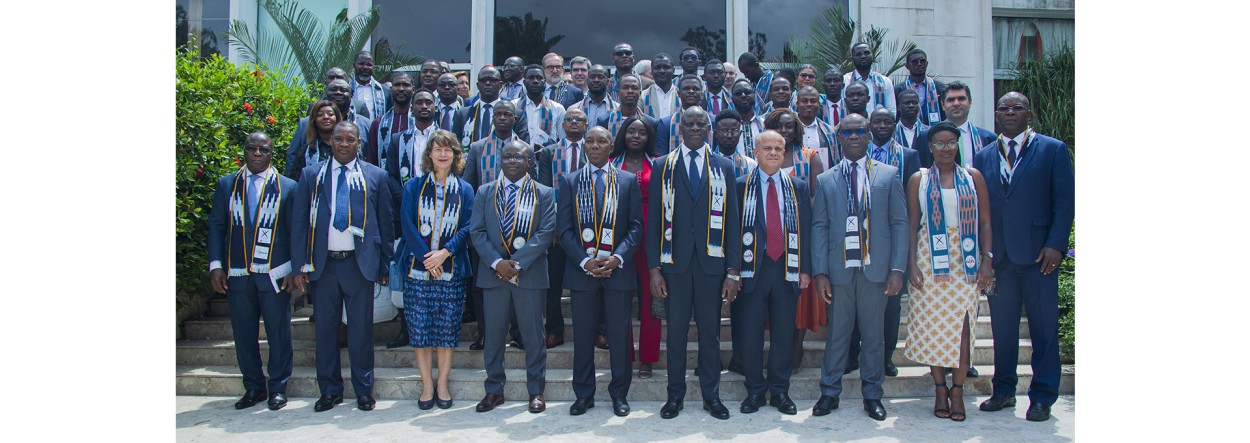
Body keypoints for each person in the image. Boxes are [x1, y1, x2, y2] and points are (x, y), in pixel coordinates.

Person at [973, 92, 1074, 422]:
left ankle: (1043, 396)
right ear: (997, 115)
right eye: (1004, 108)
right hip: (1000, 258)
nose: (1011, 112)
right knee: (1003, 329)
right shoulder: (985, 155)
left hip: (1038, 256)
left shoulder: (1052, 150)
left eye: (1017, 107)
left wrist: (1056, 245)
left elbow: (1064, 202)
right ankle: (1003, 390)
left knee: (1044, 329)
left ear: (1028, 113)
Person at [290, 121, 395, 412]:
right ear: (330, 142)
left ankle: (364, 391)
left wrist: (384, 265)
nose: (345, 144)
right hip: (324, 266)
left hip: (359, 265)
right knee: (325, 332)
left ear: (359, 143)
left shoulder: (375, 175)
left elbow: (385, 223)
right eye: (339, 139)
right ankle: (330, 391)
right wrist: (300, 266)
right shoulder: (312, 175)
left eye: (351, 139)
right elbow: (299, 223)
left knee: (361, 332)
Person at [810, 113, 907, 421]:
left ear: (868, 136)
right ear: (839, 138)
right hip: (839, 270)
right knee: (838, 333)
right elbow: (820, 226)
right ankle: (829, 392)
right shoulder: (826, 179)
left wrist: (897, 268)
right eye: (847, 131)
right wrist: (820, 272)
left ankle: (873, 395)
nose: (853, 136)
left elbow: (900, 223)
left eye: (859, 131)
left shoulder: (889, 175)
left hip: (875, 269)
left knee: (874, 336)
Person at [648, 106, 741, 420]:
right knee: (675, 335)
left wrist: (733, 270)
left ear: (709, 128)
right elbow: (654, 224)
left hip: (711, 266)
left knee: (710, 335)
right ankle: (675, 397)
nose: (696, 127)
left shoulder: (724, 166)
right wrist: (653, 269)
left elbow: (733, 221)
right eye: (690, 122)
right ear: (681, 128)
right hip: (673, 265)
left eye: (702, 122)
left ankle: (711, 396)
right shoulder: (663, 165)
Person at [903, 121, 993, 422]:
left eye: (951, 142)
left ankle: (958, 391)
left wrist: (987, 259)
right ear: (930, 147)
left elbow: (985, 223)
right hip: (930, 259)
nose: (945, 148)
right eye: (939, 143)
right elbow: (913, 225)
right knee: (933, 327)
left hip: (965, 261)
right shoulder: (919, 179)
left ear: (958, 144)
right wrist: (911, 263)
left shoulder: (973, 177)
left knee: (962, 328)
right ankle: (939, 388)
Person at [558, 126, 645, 417]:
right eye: (590, 141)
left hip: (617, 272)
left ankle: (619, 394)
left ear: (611, 146)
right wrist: (585, 261)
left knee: (620, 337)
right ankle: (584, 395)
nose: (595, 146)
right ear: (584, 146)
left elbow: (636, 226)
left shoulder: (627, 180)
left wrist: (618, 258)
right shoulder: (570, 181)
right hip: (582, 272)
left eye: (601, 141)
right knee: (583, 336)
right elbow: (564, 229)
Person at [207, 132, 297, 411]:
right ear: (244, 151)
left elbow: (295, 231)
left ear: (272, 154)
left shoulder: (288, 187)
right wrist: (216, 265)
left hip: (274, 272)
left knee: (278, 331)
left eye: (264, 149)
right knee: (244, 333)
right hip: (237, 271)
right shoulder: (227, 185)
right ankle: (254, 387)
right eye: (252, 148)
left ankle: (278, 387)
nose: (257, 153)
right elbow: (217, 227)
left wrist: (294, 269)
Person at [470, 140, 557, 414]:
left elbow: (546, 233)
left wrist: (516, 264)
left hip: (529, 276)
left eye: (518, 157)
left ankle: (536, 391)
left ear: (529, 161)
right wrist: (497, 262)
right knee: (494, 337)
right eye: (506, 157)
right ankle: (494, 390)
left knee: (533, 337)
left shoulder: (544, 193)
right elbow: (477, 232)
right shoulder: (485, 192)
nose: (511, 161)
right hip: (494, 275)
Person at [732, 130, 811, 416]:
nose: (774, 153)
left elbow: (806, 229)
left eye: (779, 148)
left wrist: (805, 269)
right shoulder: (740, 186)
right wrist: (734, 270)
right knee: (751, 334)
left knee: (782, 334)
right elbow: (732, 231)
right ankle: (754, 391)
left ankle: (779, 391)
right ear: (756, 151)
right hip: (753, 269)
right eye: (768, 148)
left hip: (787, 269)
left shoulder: (797, 186)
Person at [399, 130, 475, 410]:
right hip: (417, 271)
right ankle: (426, 385)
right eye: (437, 149)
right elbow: (406, 224)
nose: (443, 154)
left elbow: (468, 226)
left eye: (448, 150)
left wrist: (444, 253)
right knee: (419, 331)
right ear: (429, 154)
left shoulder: (465, 189)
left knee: (446, 330)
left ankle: (442, 383)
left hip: (451, 270)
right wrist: (426, 258)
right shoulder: (413, 186)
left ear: (456, 155)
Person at [845, 107, 922, 377]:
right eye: (876, 121)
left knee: (890, 306)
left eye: (887, 122)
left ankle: (886, 357)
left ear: (894, 124)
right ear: (869, 127)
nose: (882, 126)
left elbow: (911, 204)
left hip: (887, 237)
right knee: (854, 301)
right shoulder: (851, 151)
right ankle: (852, 354)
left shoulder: (909, 156)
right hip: (854, 237)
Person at [463, 100, 531, 349]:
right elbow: (468, 186)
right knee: (483, 285)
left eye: (508, 114)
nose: (502, 117)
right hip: (486, 225)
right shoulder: (477, 148)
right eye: (498, 113)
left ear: (515, 118)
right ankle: (485, 334)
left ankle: (518, 333)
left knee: (517, 278)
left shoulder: (526, 148)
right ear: (492, 117)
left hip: (519, 224)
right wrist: (473, 226)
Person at [534, 108, 593, 348]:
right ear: (563, 124)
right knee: (554, 283)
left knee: (590, 281)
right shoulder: (549, 153)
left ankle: (594, 329)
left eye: (579, 119)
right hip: (558, 228)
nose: (574, 122)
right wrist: (556, 225)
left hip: (590, 227)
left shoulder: (594, 150)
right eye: (569, 119)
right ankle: (554, 330)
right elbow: (546, 192)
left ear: (586, 123)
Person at [609, 115, 661, 379]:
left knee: (652, 299)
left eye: (642, 133)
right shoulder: (610, 164)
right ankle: (624, 354)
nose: (636, 137)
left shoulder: (659, 163)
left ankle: (648, 357)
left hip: (652, 236)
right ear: (623, 135)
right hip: (619, 237)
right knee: (620, 300)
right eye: (631, 132)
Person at [917, 81, 995, 168]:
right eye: (951, 100)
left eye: (961, 99)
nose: (956, 103)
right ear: (942, 105)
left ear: (970, 102)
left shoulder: (988, 139)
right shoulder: (926, 136)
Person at [453, 66, 530, 147]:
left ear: (500, 85)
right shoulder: (463, 114)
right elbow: (456, 145)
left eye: (492, 80)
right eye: (483, 80)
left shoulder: (516, 113)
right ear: (478, 85)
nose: (487, 83)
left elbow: (523, 146)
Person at [593, 73, 659, 144]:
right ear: (618, 92)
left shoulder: (651, 122)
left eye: (634, 88)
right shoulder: (605, 120)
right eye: (625, 87)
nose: (630, 91)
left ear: (640, 93)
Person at [285, 100, 341, 180]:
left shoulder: (347, 148)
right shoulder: (306, 151)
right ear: (314, 120)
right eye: (320, 115)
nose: (325, 117)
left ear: (337, 118)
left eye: (330, 114)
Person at [516, 64, 567, 147]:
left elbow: (563, 139)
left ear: (544, 82)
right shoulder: (513, 106)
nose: (535, 81)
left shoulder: (558, 108)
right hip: (518, 155)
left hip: (547, 157)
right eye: (531, 78)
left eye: (539, 78)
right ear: (524, 82)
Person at [654, 75, 707, 155]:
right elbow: (661, 157)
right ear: (678, 94)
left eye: (695, 89)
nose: (691, 91)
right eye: (686, 89)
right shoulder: (666, 124)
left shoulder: (712, 121)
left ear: (702, 94)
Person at [894, 49, 946, 126]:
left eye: (922, 61)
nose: (919, 64)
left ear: (927, 64)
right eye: (915, 62)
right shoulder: (899, 90)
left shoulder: (940, 88)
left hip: (935, 132)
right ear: (907, 66)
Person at [843, 43, 896, 114]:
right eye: (858, 54)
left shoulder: (885, 81)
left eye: (867, 53)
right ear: (852, 59)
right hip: (852, 124)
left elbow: (891, 112)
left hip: (879, 124)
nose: (863, 56)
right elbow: (842, 108)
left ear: (872, 56)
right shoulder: (845, 80)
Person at [794, 86, 839, 167]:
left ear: (819, 104)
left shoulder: (828, 131)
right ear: (797, 103)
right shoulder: (789, 129)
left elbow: (834, 161)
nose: (809, 104)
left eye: (813, 101)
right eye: (804, 101)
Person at [711, 109, 758, 176]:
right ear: (715, 133)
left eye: (734, 131)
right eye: (724, 131)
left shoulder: (750, 164)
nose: (729, 136)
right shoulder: (707, 162)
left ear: (740, 133)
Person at [350, 51, 392, 119]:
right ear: (354, 65)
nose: (365, 67)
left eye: (369, 64)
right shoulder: (346, 90)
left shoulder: (385, 91)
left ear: (373, 67)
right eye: (361, 64)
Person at [730, 79, 767, 157]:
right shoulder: (728, 128)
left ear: (753, 95)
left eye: (747, 92)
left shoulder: (765, 125)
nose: (743, 95)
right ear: (732, 98)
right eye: (738, 93)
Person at [641, 54, 679, 120]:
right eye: (657, 68)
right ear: (652, 71)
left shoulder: (681, 95)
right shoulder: (642, 96)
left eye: (666, 67)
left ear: (673, 70)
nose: (662, 71)